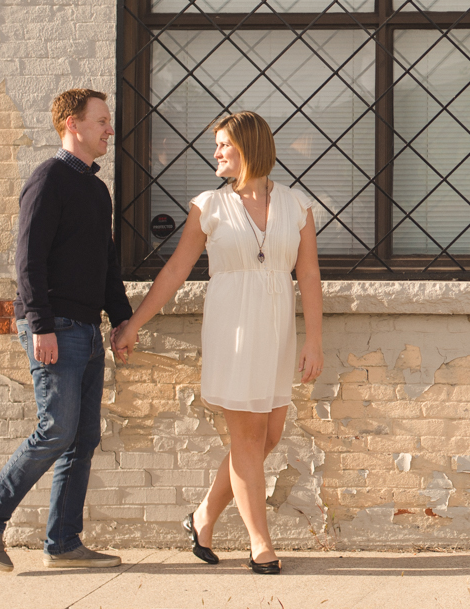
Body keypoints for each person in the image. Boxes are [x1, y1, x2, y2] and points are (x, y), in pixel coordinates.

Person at [112, 110, 324, 575]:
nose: (216, 153)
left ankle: (203, 516)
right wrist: (134, 323)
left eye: (224, 144)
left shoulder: (297, 206)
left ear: (247, 147)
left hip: (277, 332)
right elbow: (175, 271)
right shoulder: (208, 205)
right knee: (246, 437)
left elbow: (308, 274)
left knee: (268, 436)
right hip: (233, 329)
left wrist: (315, 341)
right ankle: (260, 544)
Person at [0, 88, 132, 571]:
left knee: (82, 438)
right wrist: (39, 324)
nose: (109, 129)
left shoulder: (96, 189)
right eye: (101, 120)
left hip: (86, 325)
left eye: (109, 121)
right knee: (55, 429)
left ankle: (63, 543)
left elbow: (106, 265)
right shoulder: (49, 178)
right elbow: (28, 259)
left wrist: (120, 317)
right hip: (53, 324)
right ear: (72, 125)